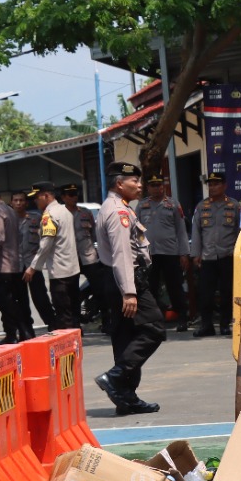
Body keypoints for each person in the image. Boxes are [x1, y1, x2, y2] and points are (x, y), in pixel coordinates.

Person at [94, 160, 164, 415]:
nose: (139, 184)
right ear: (119, 184)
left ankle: (126, 398)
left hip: (117, 279)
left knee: (125, 338)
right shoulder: (118, 212)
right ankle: (115, 377)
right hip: (126, 279)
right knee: (154, 328)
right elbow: (122, 254)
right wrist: (130, 292)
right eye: (134, 180)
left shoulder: (118, 207)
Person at [0, 183, 33, 343]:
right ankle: (14, 334)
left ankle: (21, 331)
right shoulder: (10, 211)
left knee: (5, 302)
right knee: (14, 301)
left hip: (2, 267)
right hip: (14, 265)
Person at [26, 181, 82, 330]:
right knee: (74, 311)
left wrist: (33, 267)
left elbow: (45, 244)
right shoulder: (65, 211)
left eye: (37, 197)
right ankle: (77, 341)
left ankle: (69, 347)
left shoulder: (49, 216)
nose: (35, 201)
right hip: (73, 269)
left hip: (59, 272)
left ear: (46, 196)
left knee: (64, 314)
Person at [138, 175, 191, 332]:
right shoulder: (142, 206)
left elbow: (181, 231)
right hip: (150, 254)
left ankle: (182, 318)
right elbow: (137, 230)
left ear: (163, 187)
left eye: (159, 185)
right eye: (153, 185)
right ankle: (154, 320)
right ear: (148, 188)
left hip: (170, 253)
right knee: (151, 288)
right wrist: (141, 250)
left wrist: (184, 253)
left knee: (175, 286)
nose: (156, 188)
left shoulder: (173, 205)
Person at [190, 171, 240, 337]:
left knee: (227, 292)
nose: (213, 187)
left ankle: (225, 324)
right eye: (210, 184)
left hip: (228, 256)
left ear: (224, 185)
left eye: (216, 184)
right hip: (207, 257)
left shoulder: (234, 206)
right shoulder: (201, 206)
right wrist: (195, 254)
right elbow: (196, 232)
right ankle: (207, 325)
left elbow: (240, 231)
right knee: (205, 293)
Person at [61, 183, 108, 331]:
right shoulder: (59, 214)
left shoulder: (85, 213)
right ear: (63, 197)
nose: (74, 197)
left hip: (88, 257)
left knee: (100, 290)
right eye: (70, 194)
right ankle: (75, 325)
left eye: (75, 194)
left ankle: (106, 321)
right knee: (72, 294)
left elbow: (95, 235)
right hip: (70, 259)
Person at [15, 189, 56, 333]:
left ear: (26, 203)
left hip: (33, 264)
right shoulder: (9, 220)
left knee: (40, 297)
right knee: (21, 300)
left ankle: (52, 323)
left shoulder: (37, 218)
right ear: (11, 203)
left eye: (21, 200)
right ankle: (26, 329)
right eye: (16, 200)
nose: (19, 203)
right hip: (16, 266)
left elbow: (44, 240)